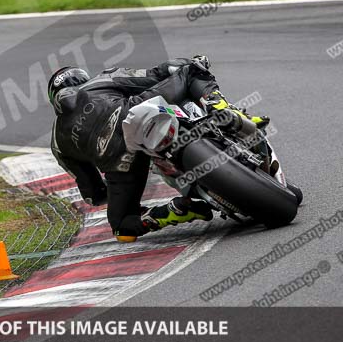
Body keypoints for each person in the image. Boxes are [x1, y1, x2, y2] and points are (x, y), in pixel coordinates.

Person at [48, 56, 269, 243]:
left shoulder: (57, 143)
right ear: (82, 79)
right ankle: (225, 110)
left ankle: (170, 213)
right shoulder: (101, 79)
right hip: (132, 113)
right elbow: (154, 74)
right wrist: (186, 63)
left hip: (120, 160)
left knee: (122, 227)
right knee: (191, 70)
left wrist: (116, 185)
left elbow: (93, 194)